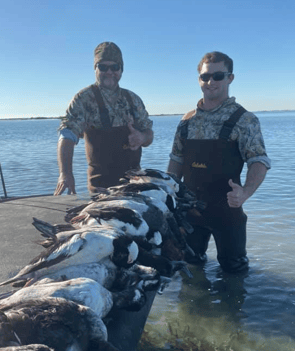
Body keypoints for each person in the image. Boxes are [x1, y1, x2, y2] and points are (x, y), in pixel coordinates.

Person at [167, 51, 271, 273]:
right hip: (189, 213)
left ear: (230, 78)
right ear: (199, 79)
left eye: (218, 76)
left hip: (227, 211)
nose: (211, 82)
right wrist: (168, 195)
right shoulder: (186, 121)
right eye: (205, 77)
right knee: (189, 269)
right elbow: (176, 159)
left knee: (235, 273)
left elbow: (259, 160)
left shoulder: (245, 120)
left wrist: (245, 192)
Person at [54, 42, 153, 195]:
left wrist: (142, 137)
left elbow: (149, 135)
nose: (109, 72)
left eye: (114, 67)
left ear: (121, 69)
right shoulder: (85, 99)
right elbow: (67, 134)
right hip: (101, 190)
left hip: (134, 187)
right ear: (95, 68)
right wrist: (65, 174)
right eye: (103, 67)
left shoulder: (133, 99)